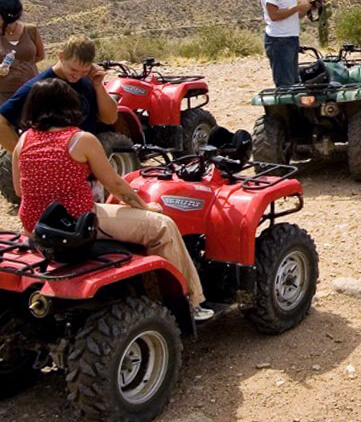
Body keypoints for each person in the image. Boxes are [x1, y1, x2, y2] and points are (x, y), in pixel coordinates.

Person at [12, 78, 212, 321]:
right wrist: (144, 206)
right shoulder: (80, 139)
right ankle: (189, 301)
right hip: (77, 224)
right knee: (163, 226)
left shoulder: (24, 140)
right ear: (70, 106)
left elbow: (19, 190)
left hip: (35, 226)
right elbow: (115, 184)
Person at [0, 35, 118, 154]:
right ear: (61, 56)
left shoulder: (88, 81)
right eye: (73, 70)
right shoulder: (39, 86)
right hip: (55, 163)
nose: (77, 76)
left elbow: (110, 118)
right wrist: (27, 158)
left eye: (84, 71)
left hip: (82, 159)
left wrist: (98, 86)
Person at [260, 0, 316, 87]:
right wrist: (297, 7)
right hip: (279, 40)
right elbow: (274, 15)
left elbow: (294, 15)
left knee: (294, 83)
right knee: (285, 85)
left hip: (291, 39)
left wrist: (307, 8)